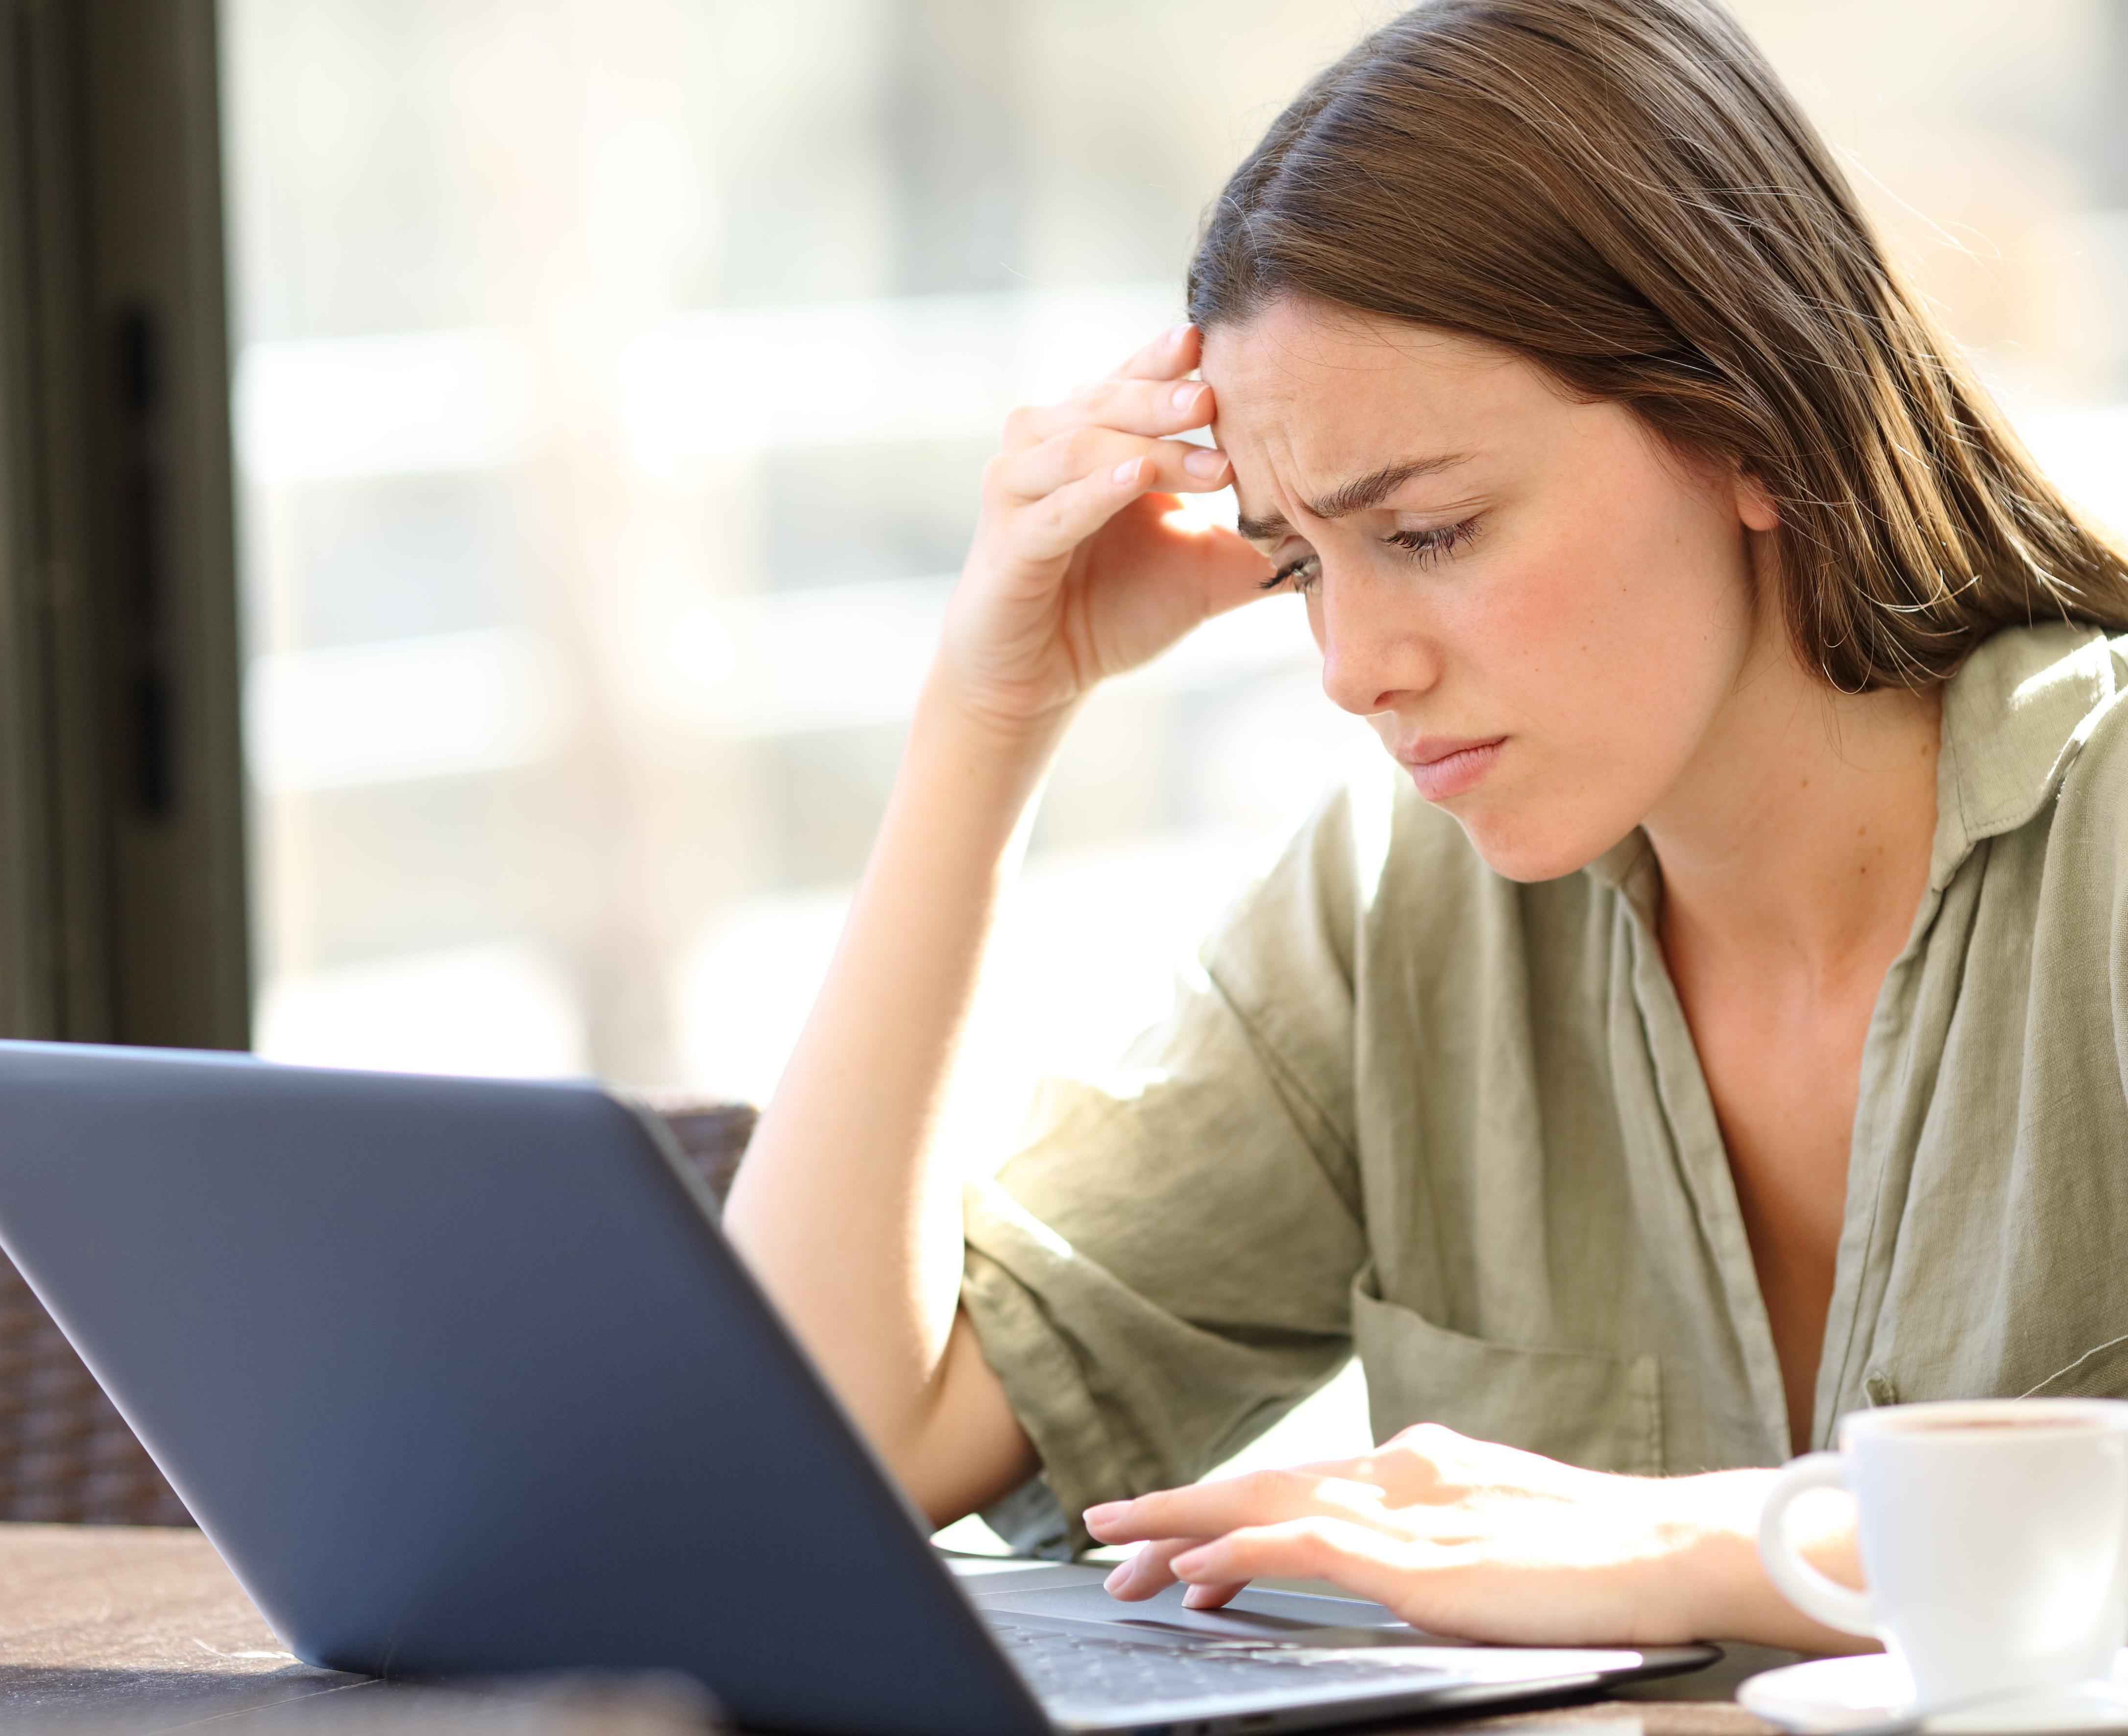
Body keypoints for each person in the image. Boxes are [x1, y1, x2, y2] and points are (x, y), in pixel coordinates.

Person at [719, 0, 2128, 1656]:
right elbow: (824, 1455)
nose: (1350, 667)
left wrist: (1703, 1543)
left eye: (1435, 530)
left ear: (1753, 423)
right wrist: (989, 718)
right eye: (1304, 562)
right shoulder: (1399, 910)